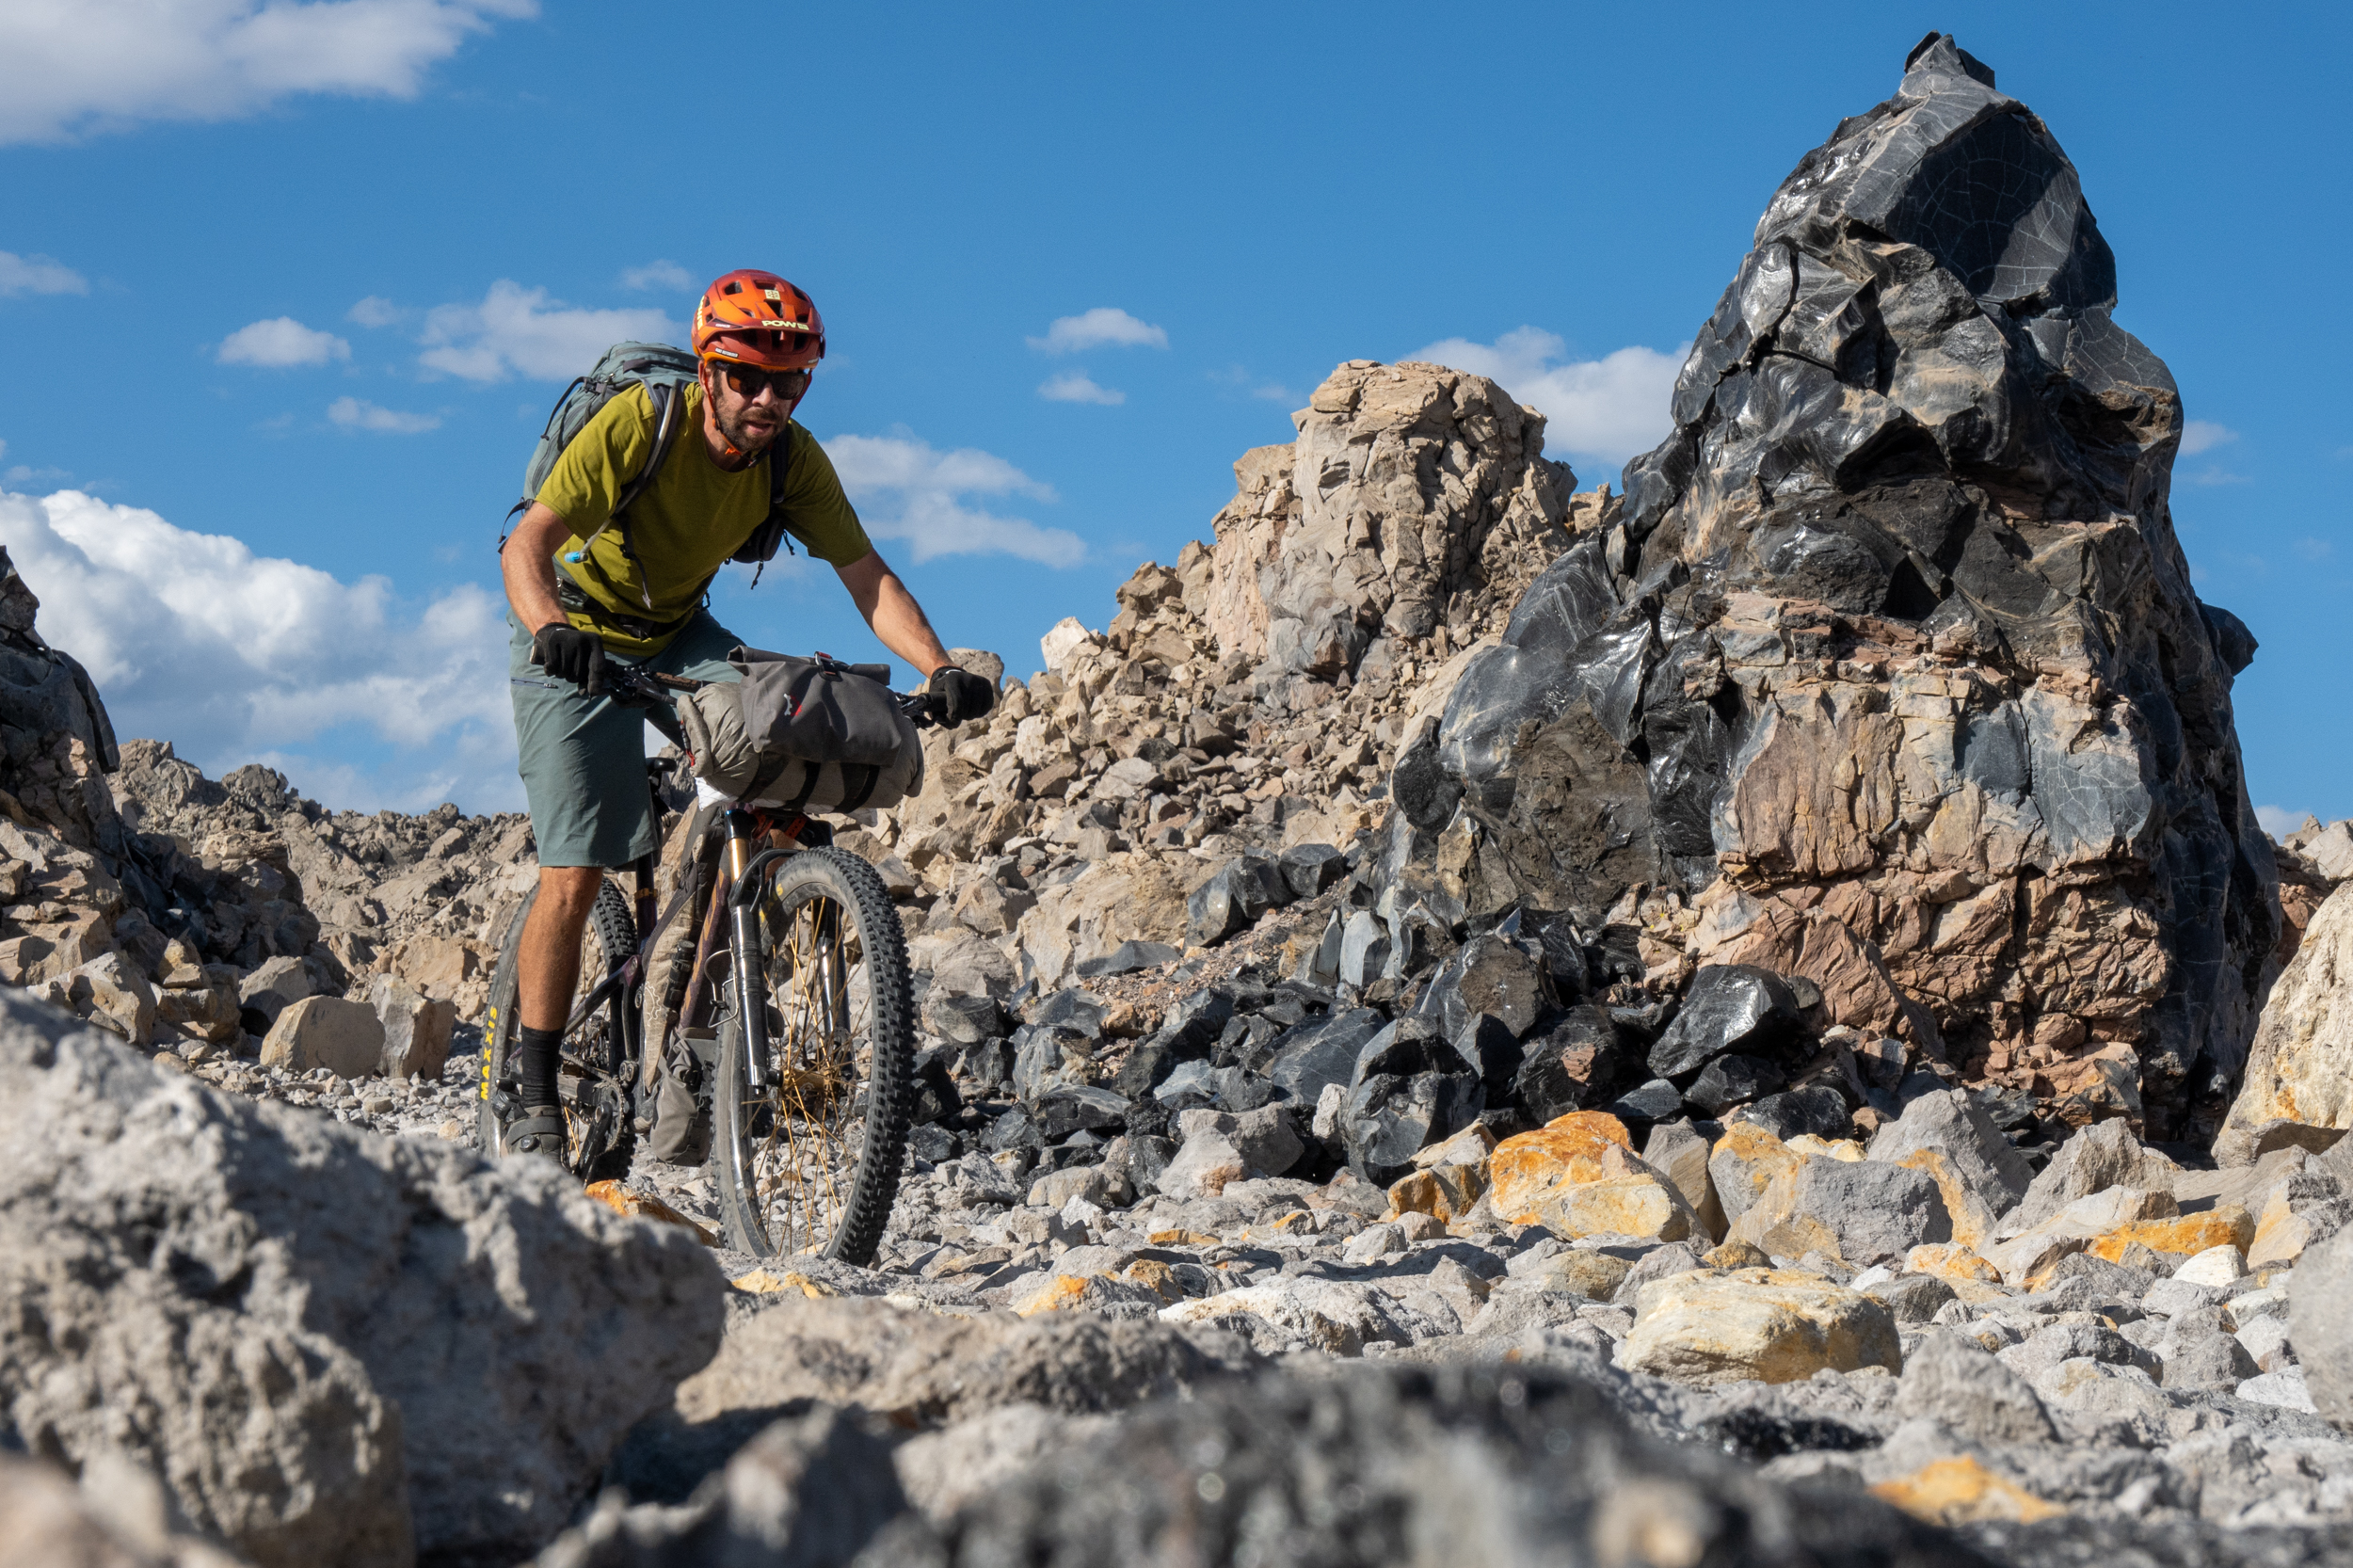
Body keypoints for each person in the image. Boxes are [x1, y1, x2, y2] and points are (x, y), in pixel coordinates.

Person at [497, 268, 994, 1160]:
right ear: (708, 370)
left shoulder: (791, 458)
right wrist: (551, 631)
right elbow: (527, 545)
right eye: (748, 378)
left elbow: (868, 578)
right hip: (574, 631)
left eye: (791, 381)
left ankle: (700, 1024)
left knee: (780, 738)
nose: (769, 399)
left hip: (677, 630)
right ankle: (532, 1091)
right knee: (574, 872)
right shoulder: (641, 423)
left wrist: (941, 665)